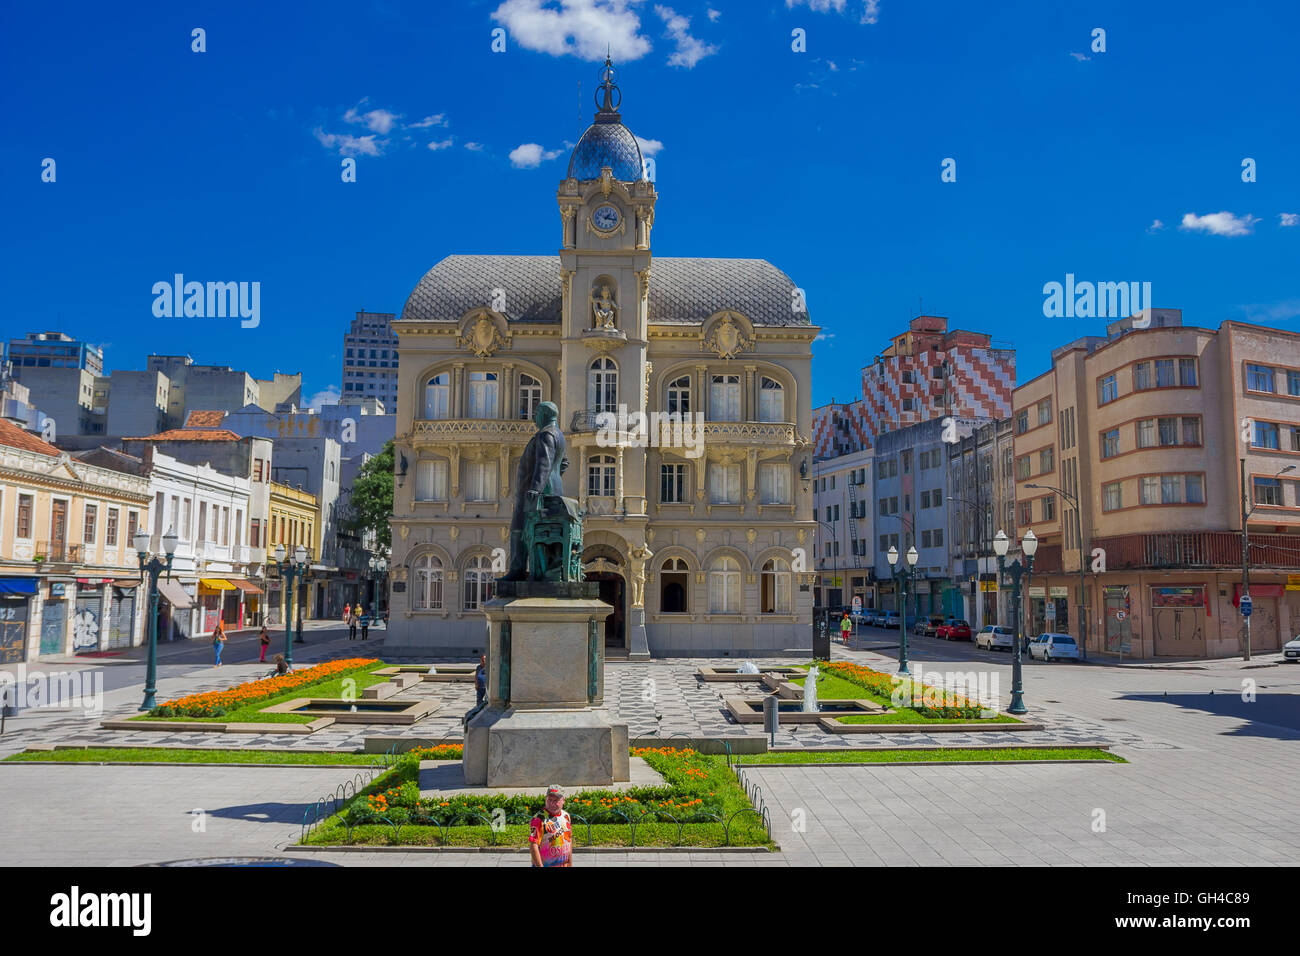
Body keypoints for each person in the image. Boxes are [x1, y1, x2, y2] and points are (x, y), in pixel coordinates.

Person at [528, 785, 573, 867]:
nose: (552, 803)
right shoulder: (538, 820)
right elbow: (533, 846)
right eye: (549, 800)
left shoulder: (566, 816)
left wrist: (570, 863)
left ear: (563, 800)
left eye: (556, 800)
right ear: (546, 799)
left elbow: (569, 839)